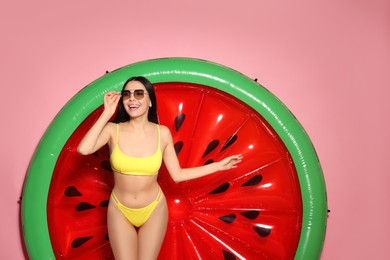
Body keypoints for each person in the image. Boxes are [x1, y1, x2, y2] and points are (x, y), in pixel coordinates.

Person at [77, 76, 242, 260]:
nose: (132, 98)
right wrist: (107, 113)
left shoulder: (162, 133)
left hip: (154, 208)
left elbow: (177, 175)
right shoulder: (112, 130)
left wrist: (218, 166)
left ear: (149, 101)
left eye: (139, 94)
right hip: (120, 209)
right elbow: (84, 149)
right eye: (127, 94)